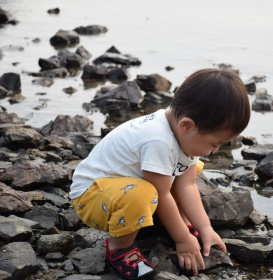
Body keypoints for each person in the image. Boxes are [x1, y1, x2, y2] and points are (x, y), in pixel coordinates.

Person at [69, 68, 251, 279]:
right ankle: (119, 248)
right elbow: (161, 194)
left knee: (191, 170)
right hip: (92, 196)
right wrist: (182, 240)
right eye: (214, 144)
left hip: (123, 187)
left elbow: (187, 185)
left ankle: (178, 223)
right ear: (187, 126)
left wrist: (204, 228)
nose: (215, 150)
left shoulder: (181, 132)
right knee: (145, 193)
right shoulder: (158, 141)